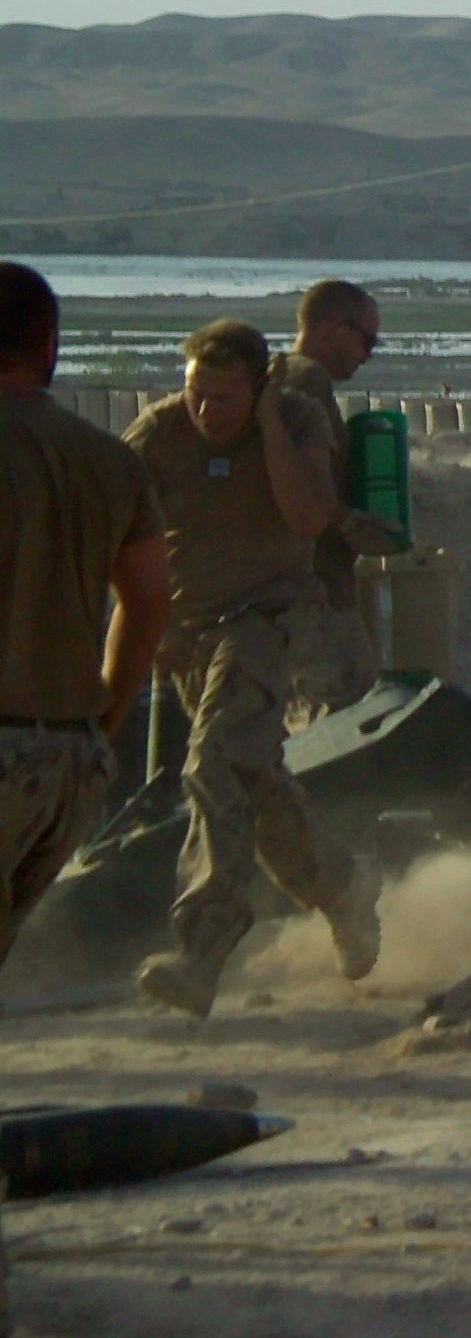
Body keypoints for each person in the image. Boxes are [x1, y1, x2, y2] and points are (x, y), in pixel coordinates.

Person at [123, 319, 381, 1016]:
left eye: (226, 398)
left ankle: (201, 950)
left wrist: (266, 421)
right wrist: (155, 628)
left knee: (211, 761)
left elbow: (308, 516)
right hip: (191, 633)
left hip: (270, 618)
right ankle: (344, 887)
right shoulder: (157, 434)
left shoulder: (295, 420)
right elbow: (113, 536)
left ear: (260, 387)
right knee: (257, 789)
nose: (207, 412)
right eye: (197, 393)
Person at [0, 263, 172, 971]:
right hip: (67, 765)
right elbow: (150, 600)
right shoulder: (106, 459)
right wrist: (101, 725)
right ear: (47, 345)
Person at [272, 279, 406, 717]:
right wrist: (360, 528)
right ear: (332, 328)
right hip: (311, 590)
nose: (369, 353)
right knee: (347, 717)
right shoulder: (306, 381)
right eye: (367, 340)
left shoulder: (284, 379)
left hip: (294, 585)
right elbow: (312, 492)